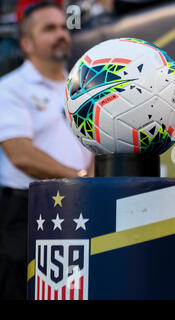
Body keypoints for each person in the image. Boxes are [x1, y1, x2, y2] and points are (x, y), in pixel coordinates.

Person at [0, 0, 93, 300]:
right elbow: (20, 153)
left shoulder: (82, 89)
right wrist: (79, 177)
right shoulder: (10, 88)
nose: (61, 34)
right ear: (26, 43)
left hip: (80, 209)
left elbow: (96, 146)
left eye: (64, 27)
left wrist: (89, 179)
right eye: (49, 28)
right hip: (26, 214)